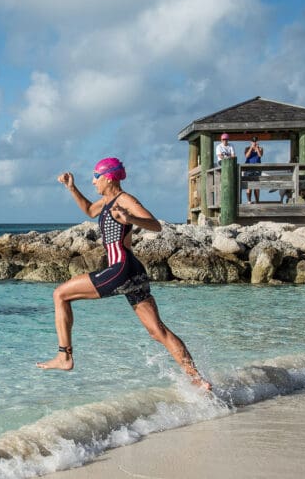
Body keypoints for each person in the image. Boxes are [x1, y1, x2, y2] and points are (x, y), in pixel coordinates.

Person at [37, 157, 211, 390]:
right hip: (133, 271)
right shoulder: (106, 201)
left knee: (60, 294)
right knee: (157, 331)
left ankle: (64, 356)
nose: (93, 181)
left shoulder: (126, 200)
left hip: (120, 268)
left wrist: (130, 218)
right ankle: (197, 380)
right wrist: (71, 188)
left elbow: (155, 225)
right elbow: (89, 210)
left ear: (108, 178)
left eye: (96, 177)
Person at [244, 136, 263, 203]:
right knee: (249, 186)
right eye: (253, 141)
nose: (254, 142)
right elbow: (247, 156)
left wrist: (257, 148)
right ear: (251, 142)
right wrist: (251, 148)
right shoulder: (247, 148)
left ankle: (257, 201)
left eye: (255, 141)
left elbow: (260, 155)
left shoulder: (260, 148)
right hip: (248, 170)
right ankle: (249, 201)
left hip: (257, 169)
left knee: (257, 186)